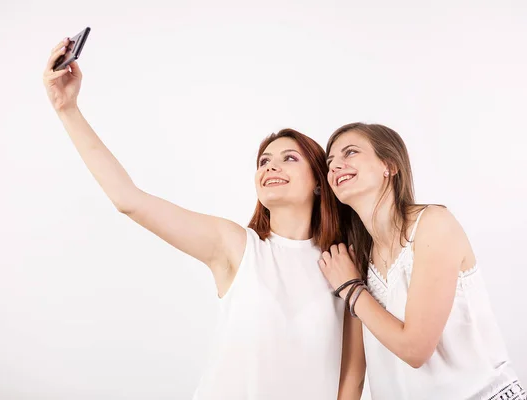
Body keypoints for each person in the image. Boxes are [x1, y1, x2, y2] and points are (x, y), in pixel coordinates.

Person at [42, 38, 365, 399]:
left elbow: (351, 377)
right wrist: (67, 109)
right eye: (263, 161)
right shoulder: (237, 246)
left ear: (320, 183)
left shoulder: (343, 264)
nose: (271, 165)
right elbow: (129, 200)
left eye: (290, 158)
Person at [318, 122, 527, 400]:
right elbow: (354, 375)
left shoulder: (433, 224)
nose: (335, 166)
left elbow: (415, 349)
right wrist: (353, 284)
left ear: (390, 166)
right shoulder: (357, 261)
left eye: (351, 153)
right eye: (330, 162)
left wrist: (351, 288)